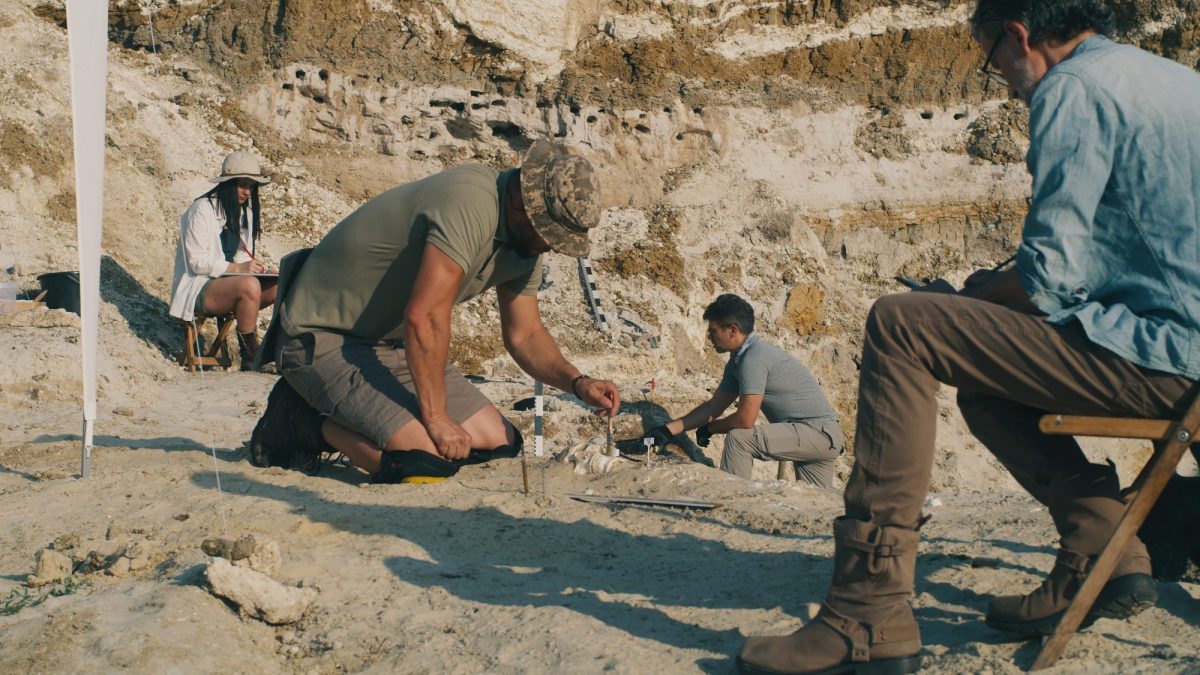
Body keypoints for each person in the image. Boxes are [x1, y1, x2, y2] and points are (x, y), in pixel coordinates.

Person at [736, 1, 1200, 673]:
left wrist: (969, 296)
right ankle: (1103, 543)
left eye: (997, 67)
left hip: (1171, 359)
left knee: (902, 322)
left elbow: (1051, 277)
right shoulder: (1169, 78)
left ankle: (867, 612)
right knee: (984, 376)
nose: (1007, 84)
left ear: (1019, 37)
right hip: (1179, 345)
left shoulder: (1073, 87)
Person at [249, 140, 621, 482]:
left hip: (392, 344)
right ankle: (302, 420)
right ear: (524, 203)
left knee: (501, 446)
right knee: (423, 464)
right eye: (551, 235)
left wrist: (577, 382)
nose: (553, 248)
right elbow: (424, 316)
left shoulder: (525, 245)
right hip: (320, 337)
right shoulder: (471, 203)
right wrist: (437, 418)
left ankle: (364, 421)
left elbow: (525, 335)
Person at [640, 294, 843, 486]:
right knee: (814, 504)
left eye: (713, 331)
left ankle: (730, 502)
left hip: (816, 432)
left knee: (739, 439)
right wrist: (667, 430)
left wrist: (711, 428)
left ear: (732, 330)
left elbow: (745, 420)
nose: (709, 337)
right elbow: (713, 407)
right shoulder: (739, 362)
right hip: (824, 436)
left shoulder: (753, 359)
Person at [169, 152, 277, 369]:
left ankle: (274, 348)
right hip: (198, 287)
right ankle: (249, 355)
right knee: (249, 284)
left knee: (278, 283)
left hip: (227, 283)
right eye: (242, 185)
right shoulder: (201, 210)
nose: (248, 192)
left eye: (252, 186)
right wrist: (239, 268)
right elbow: (197, 262)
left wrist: (256, 267)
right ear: (228, 184)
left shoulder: (243, 212)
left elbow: (239, 253)